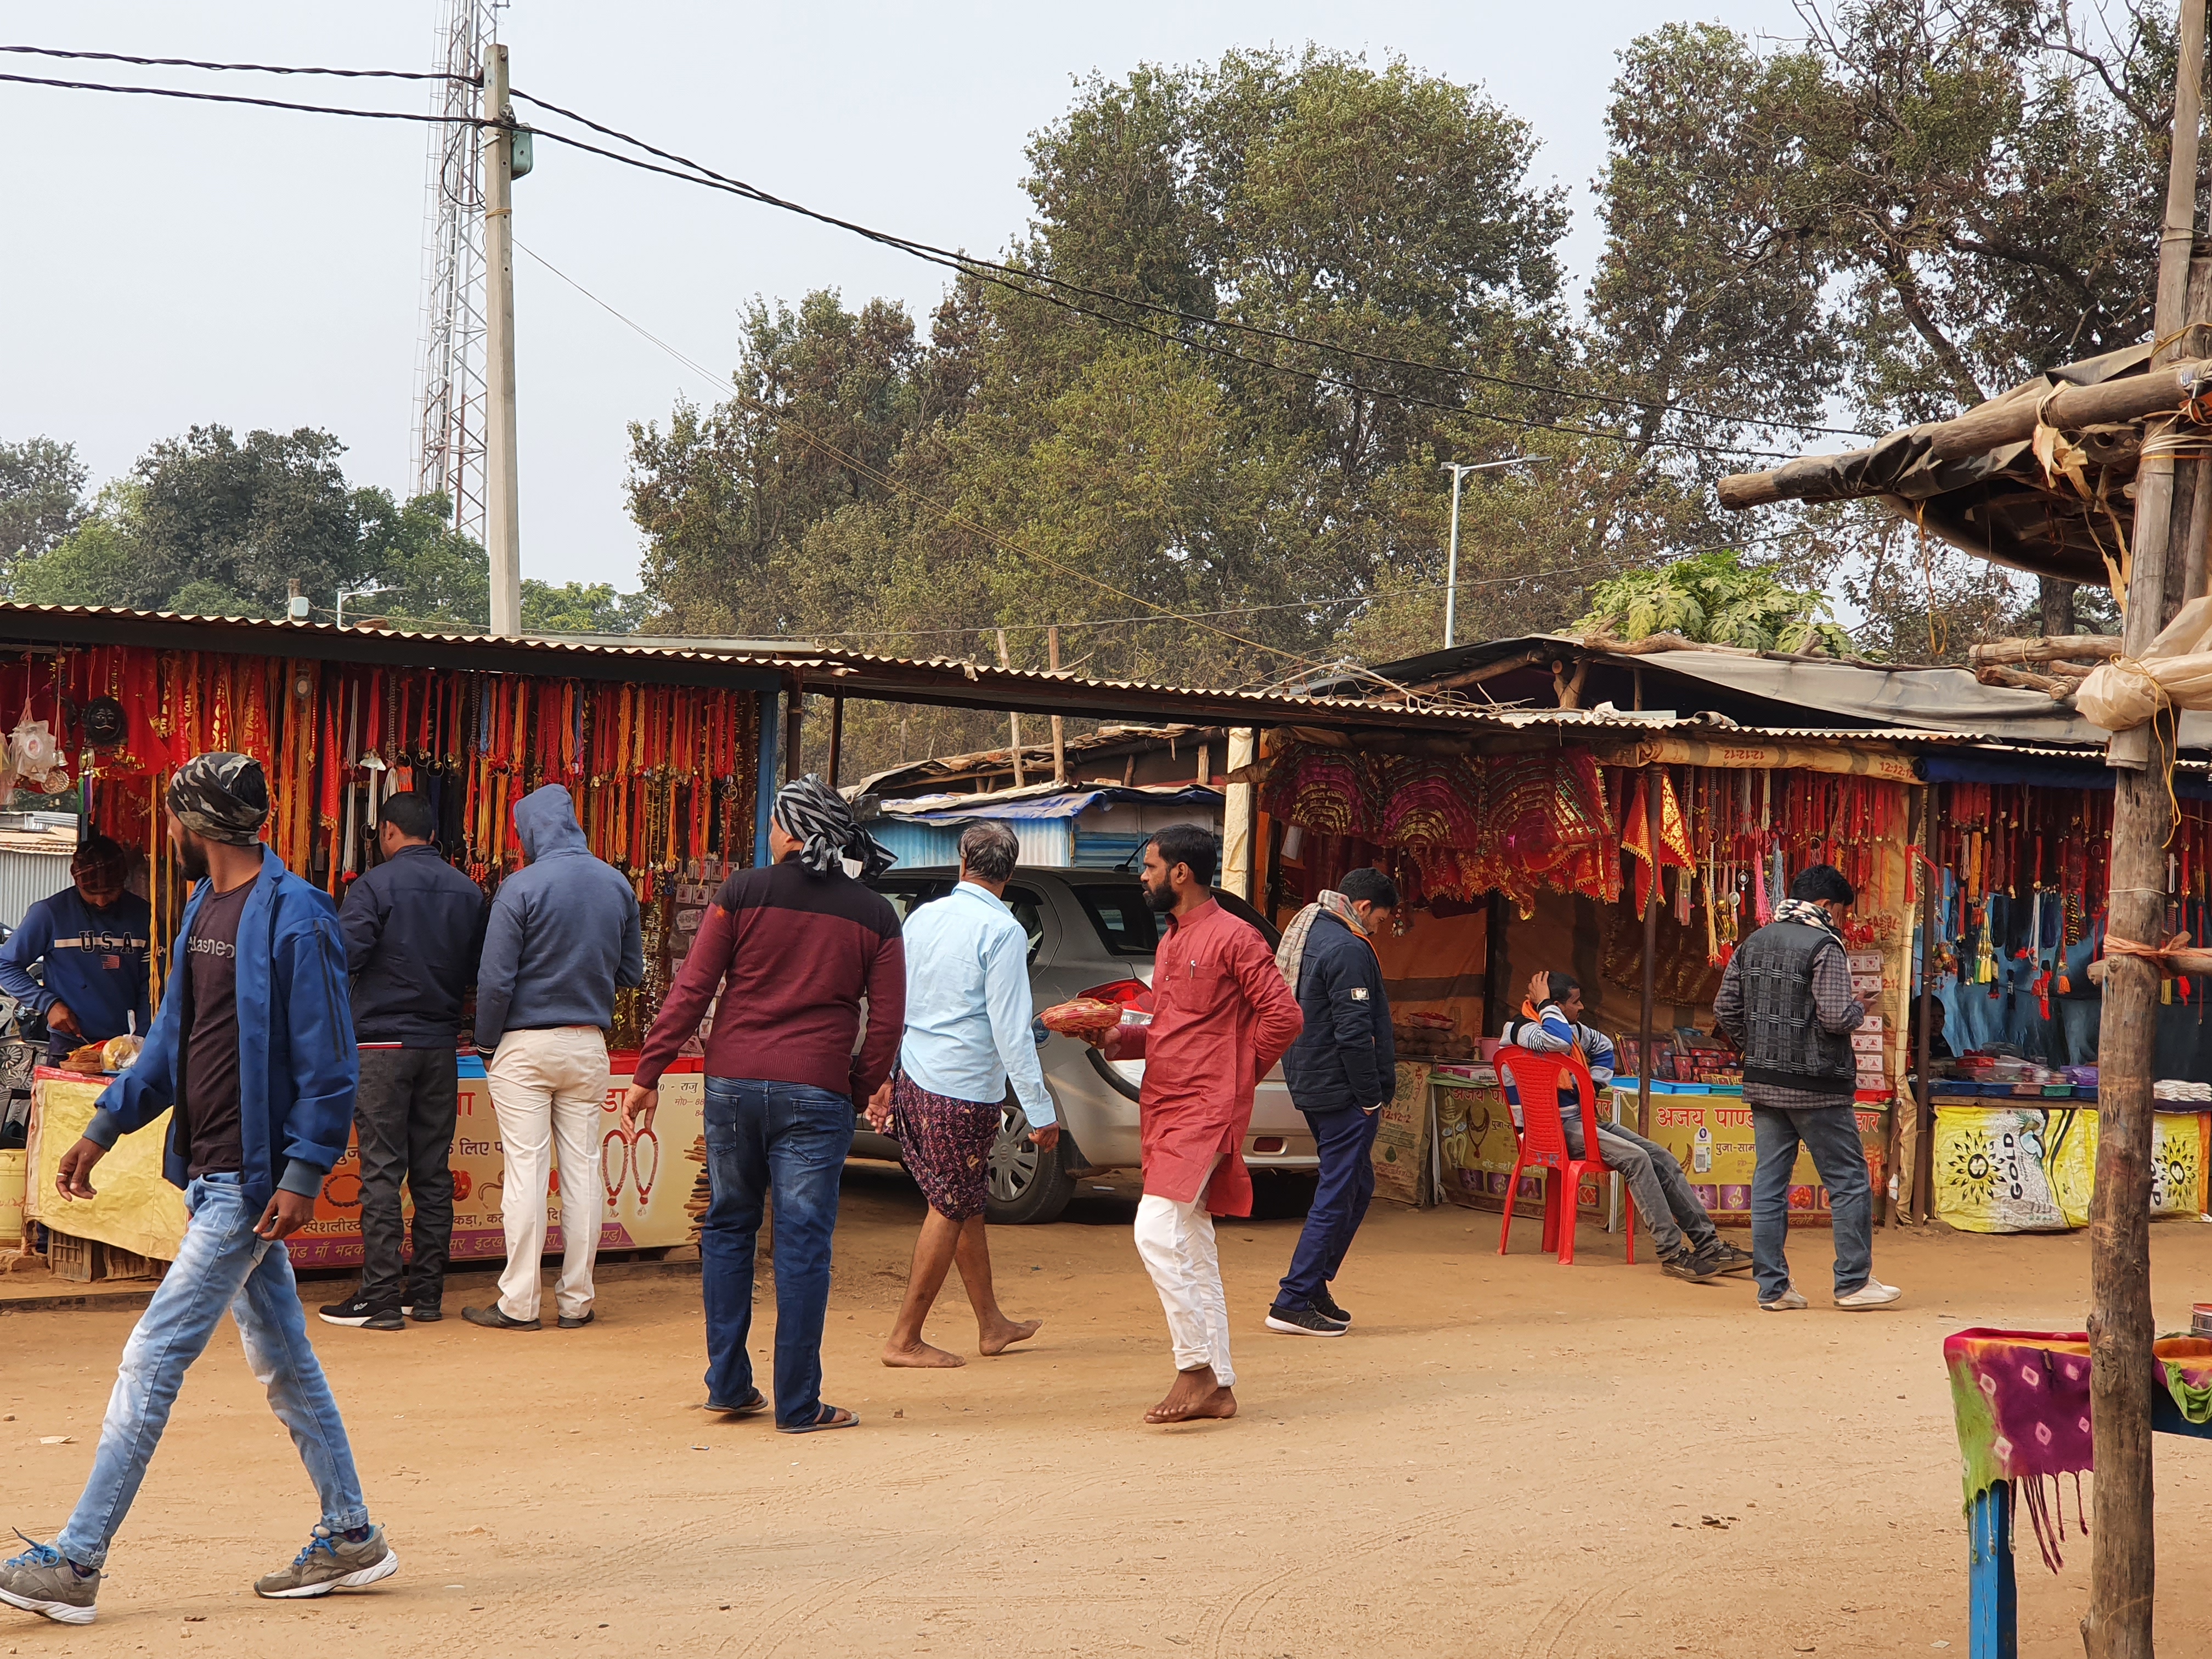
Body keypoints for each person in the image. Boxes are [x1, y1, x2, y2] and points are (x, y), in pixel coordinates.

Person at [0, 753, 393, 1626]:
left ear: (199, 824)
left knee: (151, 1358)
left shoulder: (297, 916)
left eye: (174, 819)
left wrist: (302, 1171)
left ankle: (78, 1560)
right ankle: (352, 1533)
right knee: (286, 1362)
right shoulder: (204, 909)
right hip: (211, 1171)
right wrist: (105, 1125)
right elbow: (175, 1037)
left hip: (247, 1185)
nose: (167, 832)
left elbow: (331, 1060)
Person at [622, 776, 904, 1432]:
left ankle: (728, 1385)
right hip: (817, 1092)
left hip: (733, 1086)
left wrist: (648, 1070)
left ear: (791, 829)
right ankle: (798, 1405)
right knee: (802, 1246)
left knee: (728, 1227)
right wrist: (855, 1089)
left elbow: (693, 989)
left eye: (774, 821)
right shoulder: (874, 913)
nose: (769, 832)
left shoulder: (742, 892)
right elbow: (888, 1023)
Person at [1090, 825, 1302, 1424]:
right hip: (1166, 1105)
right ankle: (1219, 1384)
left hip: (1203, 1109)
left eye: (1151, 866)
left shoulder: (1235, 937)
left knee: (1155, 1232)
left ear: (1181, 873)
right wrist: (1116, 1036)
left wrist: (1237, 1072)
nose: (1144, 876)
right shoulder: (1172, 938)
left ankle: (1195, 1369)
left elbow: (1284, 1017)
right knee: (1191, 1240)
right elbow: (1170, 1027)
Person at [864, 820, 1054, 1367]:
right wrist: (1040, 1111)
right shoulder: (1004, 931)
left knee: (962, 1201)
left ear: (963, 862)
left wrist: (886, 1076)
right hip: (962, 1089)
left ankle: (992, 1323)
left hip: (918, 1077)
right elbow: (1012, 1031)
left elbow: (895, 1003)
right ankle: (904, 1339)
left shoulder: (923, 917)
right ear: (1009, 873)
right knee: (950, 1206)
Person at [465, 784, 642, 1334]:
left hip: (524, 1045)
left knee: (527, 1173)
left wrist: (486, 1045)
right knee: (584, 1171)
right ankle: (577, 1301)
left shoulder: (520, 887)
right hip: (587, 1044)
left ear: (533, 831)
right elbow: (632, 973)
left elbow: (495, 981)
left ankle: (519, 1303)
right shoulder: (617, 885)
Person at [318, 791, 488, 1331]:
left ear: (389, 832)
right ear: (433, 835)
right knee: (433, 1171)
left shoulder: (374, 886)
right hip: (440, 1046)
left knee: (382, 1171)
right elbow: (480, 969)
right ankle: (427, 1294)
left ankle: (380, 1297)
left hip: (382, 1047)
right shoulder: (469, 892)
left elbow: (344, 957)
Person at [1714, 862, 1898, 1312]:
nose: (1842, 920)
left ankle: (1773, 1290)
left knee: (1769, 1184)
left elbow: (1725, 1008)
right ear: (1827, 905)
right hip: (1818, 1087)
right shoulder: (1824, 945)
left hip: (1764, 1083)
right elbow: (1835, 1018)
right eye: (1841, 911)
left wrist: (1756, 1046)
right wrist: (1859, 1008)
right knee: (1849, 1181)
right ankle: (1853, 1283)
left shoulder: (1753, 941)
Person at [1498, 972, 1752, 1283]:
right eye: (1575, 1002)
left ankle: (1709, 1245)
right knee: (1637, 1159)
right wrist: (1545, 1004)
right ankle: (1672, 1253)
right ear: (1556, 1005)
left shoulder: (1571, 1029)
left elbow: (1604, 1046)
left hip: (1580, 1121)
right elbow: (1558, 1041)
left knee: (1661, 1157)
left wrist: (1591, 1086)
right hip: (1548, 1131)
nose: (1582, 1007)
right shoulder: (1520, 1029)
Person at [1267, 867, 1398, 1338]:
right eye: (1380, 919)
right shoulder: (1346, 947)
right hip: (1341, 1089)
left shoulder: (1312, 930)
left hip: (1313, 1079)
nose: (1378, 929)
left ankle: (1315, 1284)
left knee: (1357, 1186)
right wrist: (1369, 1097)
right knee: (1338, 1191)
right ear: (1363, 908)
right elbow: (1354, 1032)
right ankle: (1293, 1298)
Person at [0, 833, 151, 1064]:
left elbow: (150, 984)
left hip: (129, 1045)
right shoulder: (50, 914)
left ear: (124, 881)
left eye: (110, 892)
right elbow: (5, 965)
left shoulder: (144, 916)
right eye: (92, 893)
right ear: (76, 881)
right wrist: (48, 1004)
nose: (101, 901)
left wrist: (143, 1038)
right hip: (70, 1044)